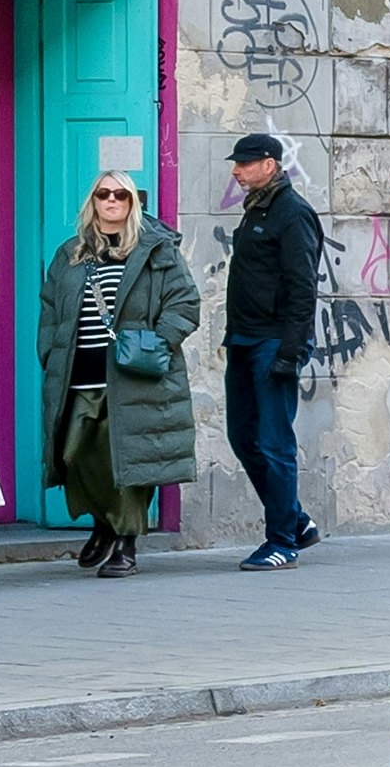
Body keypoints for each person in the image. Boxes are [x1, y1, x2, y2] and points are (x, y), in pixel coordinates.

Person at [48, 163, 201, 577]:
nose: (112, 201)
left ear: (132, 203)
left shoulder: (156, 251)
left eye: (121, 195)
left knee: (128, 461)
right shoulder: (70, 254)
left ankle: (125, 543)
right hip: (81, 375)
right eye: (104, 194)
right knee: (76, 455)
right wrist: (51, 354)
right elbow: (50, 311)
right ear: (92, 203)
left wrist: (158, 343)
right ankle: (103, 523)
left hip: (136, 376)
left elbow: (185, 304)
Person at [220, 130, 326, 571]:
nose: (236, 171)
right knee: (243, 437)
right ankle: (298, 522)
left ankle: (282, 540)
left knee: (274, 442)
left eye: (245, 164)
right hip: (243, 340)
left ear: (269, 164)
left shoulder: (292, 213)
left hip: (272, 344)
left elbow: (303, 289)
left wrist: (290, 351)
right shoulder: (257, 209)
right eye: (236, 164)